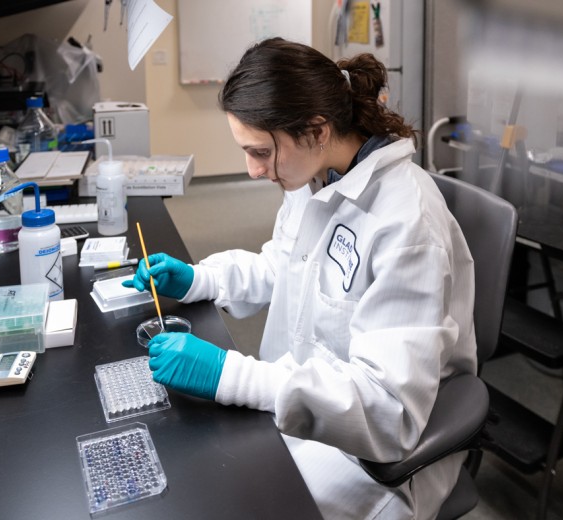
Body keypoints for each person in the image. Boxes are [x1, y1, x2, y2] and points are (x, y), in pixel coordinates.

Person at [124, 38, 477, 519]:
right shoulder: (317, 177)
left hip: (373, 455)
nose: (252, 171)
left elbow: (387, 409)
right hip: (300, 402)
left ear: (316, 129)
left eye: (261, 152)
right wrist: (197, 280)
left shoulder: (406, 221)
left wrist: (232, 375)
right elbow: (284, 266)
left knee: (233, 500)